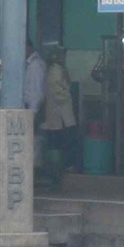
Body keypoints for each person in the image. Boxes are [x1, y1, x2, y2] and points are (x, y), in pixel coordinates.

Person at [42, 44, 78, 175]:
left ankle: (60, 167)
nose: (64, 57)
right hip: (59, 116)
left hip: (62, 116)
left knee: (60, 142)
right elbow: (57, 93)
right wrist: (68, 93)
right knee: (61, 142)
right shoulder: (55, 71)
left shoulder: (59, 70)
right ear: (55, 57)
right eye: (61, 55)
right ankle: (59, 168)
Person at [24, 39, 46, 119]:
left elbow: (36, 89)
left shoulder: (35, 65)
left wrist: (33, 111)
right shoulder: (31, 63)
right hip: (32, 107)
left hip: (32, 108)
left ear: (27, 48)